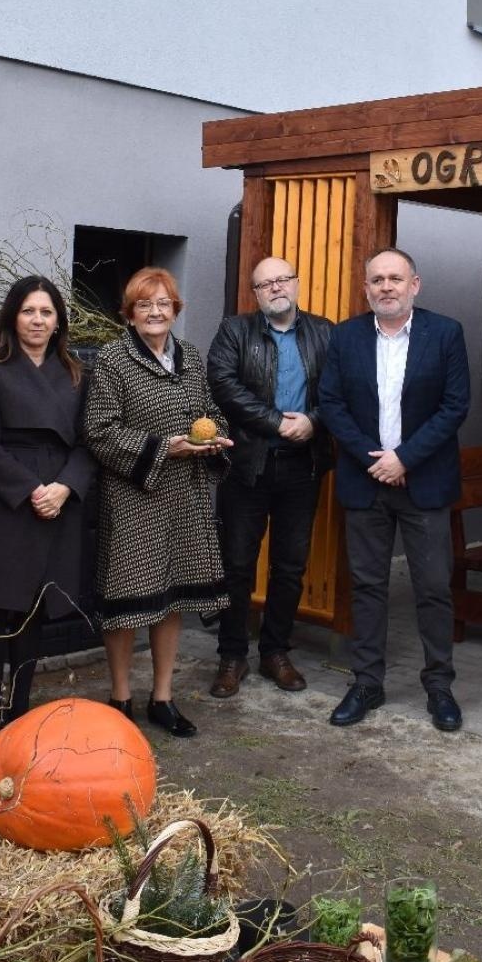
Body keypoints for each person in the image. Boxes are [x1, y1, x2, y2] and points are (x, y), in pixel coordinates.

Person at [319, 247, 470, 731]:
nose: (386, 287)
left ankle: (440, 686)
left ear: (415, 285)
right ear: (366, 288)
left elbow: (454, 406)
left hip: (424, 482)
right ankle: (367, 682)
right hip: (366, 483)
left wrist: (404, 457)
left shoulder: (445, 333)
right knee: (367, 586)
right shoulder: (345, 337)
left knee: (432, 587)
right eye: (377, 280)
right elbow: (332, 404)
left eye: (395, 279)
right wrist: (377, 460)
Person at [83, 266, 231, 737]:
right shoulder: (113, 359)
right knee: (127, 601)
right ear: (130, 314)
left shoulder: (189, 355)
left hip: (185, 498)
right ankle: (120, 697)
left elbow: (210, 415)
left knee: (173, 600)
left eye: (163, 303)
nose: (155, 311)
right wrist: (163, 446)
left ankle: (162, 698)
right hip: (135, 498)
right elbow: (99, 430)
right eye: (144, 304)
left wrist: (214, 439)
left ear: (175, 310)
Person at [0, 276, 95, 744]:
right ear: (13, 316)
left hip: (60, 496)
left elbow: (90, 441)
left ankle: (22, 710)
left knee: (35, 608)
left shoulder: (75, 372)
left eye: (47, 312)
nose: (37, 319)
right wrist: (32, 489)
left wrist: (65, 488)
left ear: (58, 322)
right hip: (6, 499)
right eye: (29, 311)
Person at [205, 257, 333, 698]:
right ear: (256, 294)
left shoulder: (324, 332)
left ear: (296, 284)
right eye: (265, 284)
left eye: (283, 280)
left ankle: (275, 652)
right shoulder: (234, 331)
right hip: (248, 465)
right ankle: (232, 655)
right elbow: (222, 385)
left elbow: (339, 390)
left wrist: (313, 421)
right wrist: (278, 422)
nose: (276, 288)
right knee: (237, 564)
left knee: (290, 567)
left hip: (304, 464)